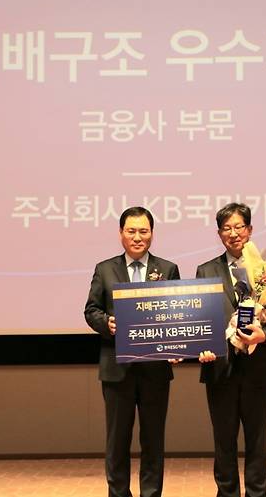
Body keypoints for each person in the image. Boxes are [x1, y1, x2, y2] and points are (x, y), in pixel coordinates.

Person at [84, 206, 180, 497]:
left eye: (143, 231)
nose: (138, 237)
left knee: (153, 440)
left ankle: (151, 493)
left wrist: (178, 345)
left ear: (152, 234)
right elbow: (91, 310)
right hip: (117, 369)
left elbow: (177, 315)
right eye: (131, 231)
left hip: (155, 370)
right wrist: (107, 323)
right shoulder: (104, 269)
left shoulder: (167, 269)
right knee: (117, 442)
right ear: (121, 233)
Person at [196, 203, 266, 497]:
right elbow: (200, 318)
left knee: (257, 442)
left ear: (249, 230)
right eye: (226, 228)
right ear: (219, 233)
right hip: (220, 368)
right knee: (223, 442)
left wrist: (265, 335)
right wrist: (202, 347)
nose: (233, 233)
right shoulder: (206, 270)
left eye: (239, 227)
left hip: (259, 368)